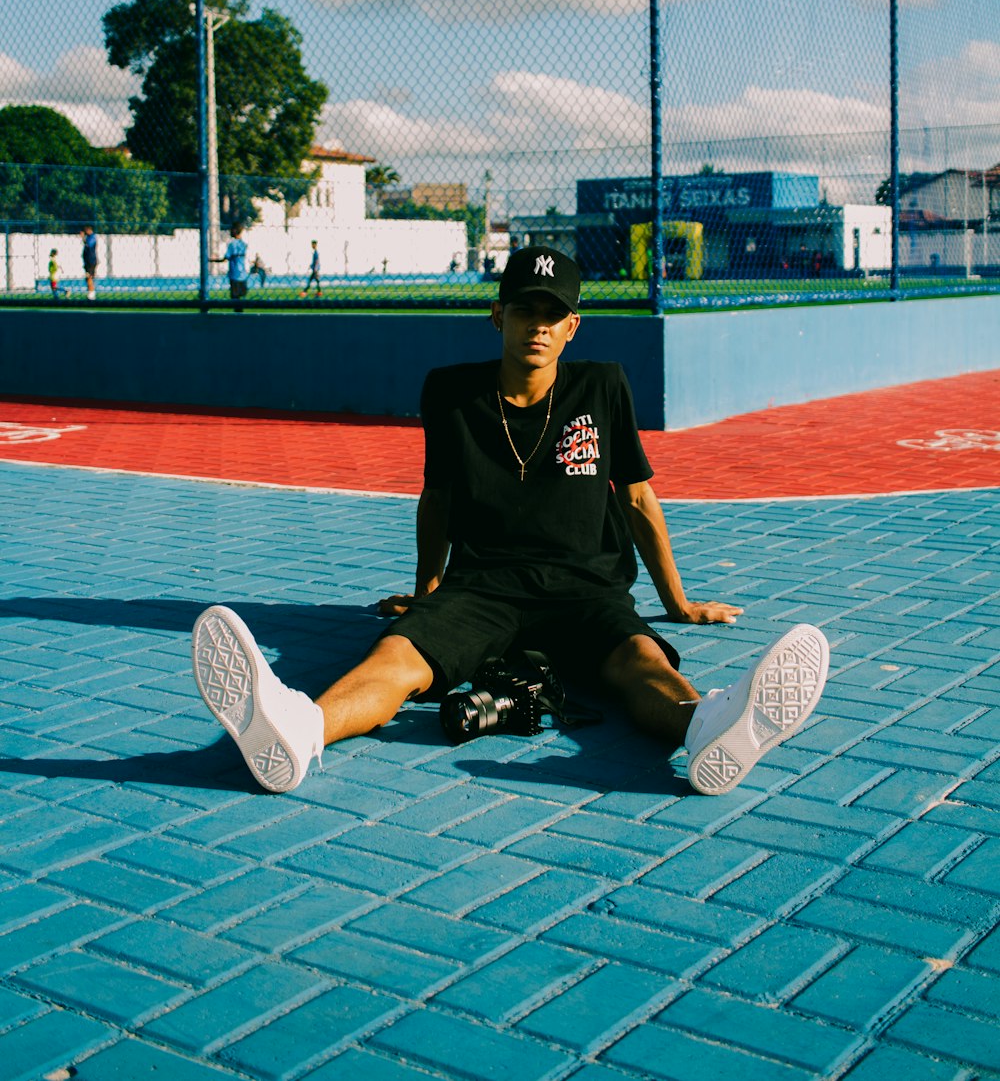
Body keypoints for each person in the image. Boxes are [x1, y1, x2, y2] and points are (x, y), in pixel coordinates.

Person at [192, 247, 829, 797]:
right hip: (482, 588)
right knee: (398, 657)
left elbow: (637, 499)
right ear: (498, 314)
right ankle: (299, 731)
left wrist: (678, 602)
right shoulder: (451, 394)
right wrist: (425, 593)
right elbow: (435, 499)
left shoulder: (603, 388)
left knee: (640, 661)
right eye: (525, 309)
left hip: (584, 589)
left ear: (573, 326)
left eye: (554, 314)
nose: (538, 326)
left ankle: (710, 729)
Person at [211, 223, 250, 310]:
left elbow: (225, 258)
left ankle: (237, 316)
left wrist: (212, 260)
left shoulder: (232, 245)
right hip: (243, 274)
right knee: (242, 297)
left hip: (234, 274)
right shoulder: (243, 244)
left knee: (235, 298)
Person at [80, 226, 98, 301]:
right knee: (88, 277)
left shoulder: (92, 237)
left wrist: (83, 238)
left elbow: (89, 245)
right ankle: (91, 293)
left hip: (91, 261)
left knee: (89, 277)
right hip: (88, 261)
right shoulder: (89, 237)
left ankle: (91, 294)